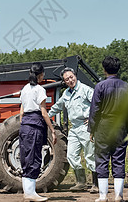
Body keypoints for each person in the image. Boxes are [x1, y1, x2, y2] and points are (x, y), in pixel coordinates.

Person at [47, 67, 99, 193]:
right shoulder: (66, 94)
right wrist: (45, 116)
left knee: (90, 155)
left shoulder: (85, 89)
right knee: (71, 155)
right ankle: (81, 182)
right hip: (74, 128)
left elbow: (98, 103)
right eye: (67, 79)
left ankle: (96, 184)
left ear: (75, 76)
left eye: (71, 77)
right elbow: (57, 107)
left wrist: (94, 119)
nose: (70, 80)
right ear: (64, 82)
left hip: (86, 126)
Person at [88, 56, 128, 202]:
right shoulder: (126, 86)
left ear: (104, 69)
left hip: (104, 126)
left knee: (101, 159)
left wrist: (92, 129)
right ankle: (118, 196)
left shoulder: (100, 86)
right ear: (118, 69)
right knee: (119, 160)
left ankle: (103, 196)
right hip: (119, 126)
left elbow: (95, 110)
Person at [19, 62, 57, 202]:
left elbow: (21, 111)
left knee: (25, 157)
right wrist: (52, 130)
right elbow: (44, 113)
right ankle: (30, 193)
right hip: (35, 123)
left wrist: (23, 125)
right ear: (40, 75)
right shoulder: (40, 89)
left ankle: (27, 192)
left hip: (25, 125)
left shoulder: (24, 89)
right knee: (34, 157)